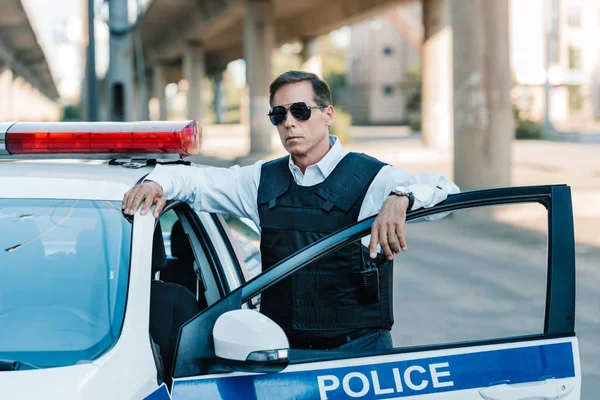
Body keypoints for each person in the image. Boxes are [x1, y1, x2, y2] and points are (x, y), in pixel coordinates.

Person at [123, 70, 460, 351]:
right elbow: (196, 182)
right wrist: (158, 183)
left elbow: (446, 192)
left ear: (328, 114)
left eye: (300, 110)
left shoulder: (372, 178)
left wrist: (401, 197)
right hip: (282, 352)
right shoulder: (261, 180)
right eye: (278, 114)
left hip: (357, 355)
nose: (289, 123)